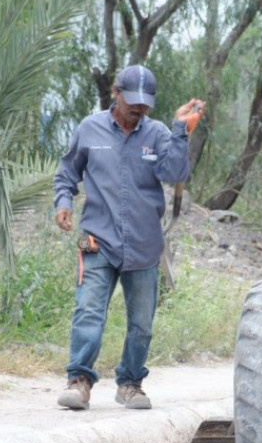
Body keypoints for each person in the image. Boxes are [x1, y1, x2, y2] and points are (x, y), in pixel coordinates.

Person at [53, 65, 204, 410]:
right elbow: (67, 173)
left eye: (145, 103)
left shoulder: (159, 133)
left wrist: (182, 131)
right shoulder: (89, 129)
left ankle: (131, 383)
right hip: (98, 240)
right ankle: (79, 381)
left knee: (141, 324)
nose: (139, 108)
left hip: (143, 245)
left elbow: (176, 172)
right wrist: (63, 202)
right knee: (89, 311)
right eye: (132, 100)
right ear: (115, 94)